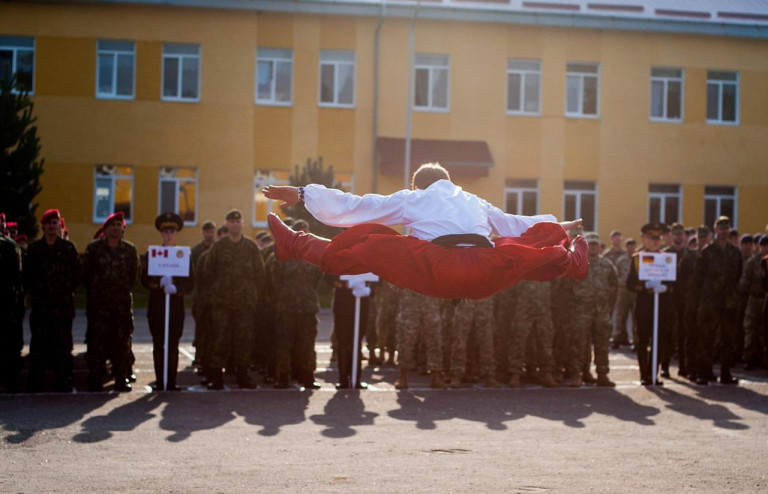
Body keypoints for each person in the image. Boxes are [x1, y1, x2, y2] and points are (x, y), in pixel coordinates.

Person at [263, 163, 586, 300]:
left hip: (439, 269)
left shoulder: (415, 198)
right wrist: (557, 227)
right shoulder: (475, 200)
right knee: (521, 255)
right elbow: (515, 224)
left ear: (418, 185)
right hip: (485, 271)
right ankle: (570, 261)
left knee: (372, 243)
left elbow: (359, 206)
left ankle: (295, 244)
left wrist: (304, 194)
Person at [201, 209, 266, 390]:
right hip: (222, 304)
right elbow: (208, 273)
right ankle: (216, 377)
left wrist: (253, 295)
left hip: (245, 304)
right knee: (220, 340)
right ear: (227, 224)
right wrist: (217, 293)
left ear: (242, 224)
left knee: (244, 340)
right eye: (232, 221)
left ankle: (242, 376)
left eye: (238, 221)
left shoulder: (251, 248)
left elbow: (260, 275)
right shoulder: (219, 247)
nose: (235, 224)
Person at [82, 211, 140, 392]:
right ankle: (95, 378)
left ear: (123, 229)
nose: (115, 228)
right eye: (112, 225)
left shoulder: (130, 250)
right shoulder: (94, 249)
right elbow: (86, 274)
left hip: (121, 305)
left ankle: (121, 378)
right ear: (105, 229)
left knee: (122, 342)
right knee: (97, 342)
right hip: (99, 306)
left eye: (118, 225)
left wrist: (121, 291)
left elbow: (134, 276)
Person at [24, 209, 80, 393]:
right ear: (43, 226)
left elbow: (77, 274)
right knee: (39, 344)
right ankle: (36, 382)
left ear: (58, 226)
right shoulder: (34, 249)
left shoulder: (68, 248)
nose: (51, 227)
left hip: (62, 306)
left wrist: (65, 291)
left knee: (63, 345)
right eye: (48, 223)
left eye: (55, 223)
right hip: (41, 305)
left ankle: (63, 381)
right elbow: (27, 275)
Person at [140, 213, 194, 391]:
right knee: (158, 343)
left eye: (172, 232)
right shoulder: (152, 254)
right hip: (157, 305)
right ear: (161, 234)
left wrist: (177, 288)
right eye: (165, 232)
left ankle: (171, 381)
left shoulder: (184, 255)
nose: (169, 235)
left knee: (173, 344)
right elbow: (144, 279)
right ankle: (159, 380)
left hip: (175, 305)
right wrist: (158, 284)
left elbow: (191, 282)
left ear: (176, 233)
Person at [267, 219, 323, 389]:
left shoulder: (313, 256)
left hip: (307, 306)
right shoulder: (281, 255)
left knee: (307, 343)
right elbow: (273, 280)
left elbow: (317, 279)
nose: (303, 235)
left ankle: (307, 376)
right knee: (284, 344)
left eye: (306, 231)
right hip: (286, 306)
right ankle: (283, 376)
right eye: (300, 231)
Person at [694, 216, 742, 385]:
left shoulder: (735, 252)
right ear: (715, 230)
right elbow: (698, 279)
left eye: (726, 228)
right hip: (710, 302)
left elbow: (738, 276)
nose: (723, 231)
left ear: (729, 230)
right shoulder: (707, 252)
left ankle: (726, 373)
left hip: (729, 302)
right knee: (706, 337)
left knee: (728, 338)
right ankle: (704, 373)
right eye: (721, 228)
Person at [567, 232, 618, 387]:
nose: (594, 248)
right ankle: (577, 374)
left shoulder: (607, 264)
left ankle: (602, 374)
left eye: (596, 245)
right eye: (591, 245)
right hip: (581, 310)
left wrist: (608, 306)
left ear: (599, 247)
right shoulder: (578, 262)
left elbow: (614, 286)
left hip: (601, 311)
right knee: (579, 343)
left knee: (602, 344)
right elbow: (568, 286)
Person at [626, 222, 674, 386]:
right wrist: (644, 286)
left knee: (659, 340)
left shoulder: (668, 258)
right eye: (651, 238)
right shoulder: (637, 259)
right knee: (643, 340)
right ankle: (644, 374)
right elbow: (629, 283)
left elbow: (676, 283)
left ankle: (654, 373)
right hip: (644, 306)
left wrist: (666, 288)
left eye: (658, 238)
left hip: (662, 305)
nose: (655, 241)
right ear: (644, 239)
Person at [0, 212, 24, 393]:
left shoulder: (10, 246)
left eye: (2, 222)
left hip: (6, 303)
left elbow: (18, 276)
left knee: (9, 343)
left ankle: (9, 380)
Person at [661, 223, 688, 378]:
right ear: (671, 236)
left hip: (685, 299)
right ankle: (665, 366)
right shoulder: (664, 255)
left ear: (684, 236)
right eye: (675, 234)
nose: (678, 237)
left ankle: (683, 366)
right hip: (668, 299)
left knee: (683, 333)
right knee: (667, 333)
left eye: (680, 234)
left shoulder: (689, 255)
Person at [739, 235, 768, 370]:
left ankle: (763, 357)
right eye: (763, 245)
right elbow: (744, 282)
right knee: (751, 328)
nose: (765, 248)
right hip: (754, 298)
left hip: (766, 299)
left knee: (764, 330)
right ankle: (749, 357)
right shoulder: (753, 262)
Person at [611, 238, 637, 349]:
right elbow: (616, 275)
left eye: (632, 245)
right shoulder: (621, 260)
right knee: (620, 315)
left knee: (636, 315)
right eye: (629, 245)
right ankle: (618, 337)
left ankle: (636, 340)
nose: (631, 247)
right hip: (623, 289)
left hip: (636, 290)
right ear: (626, 247)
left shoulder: (638, 259)